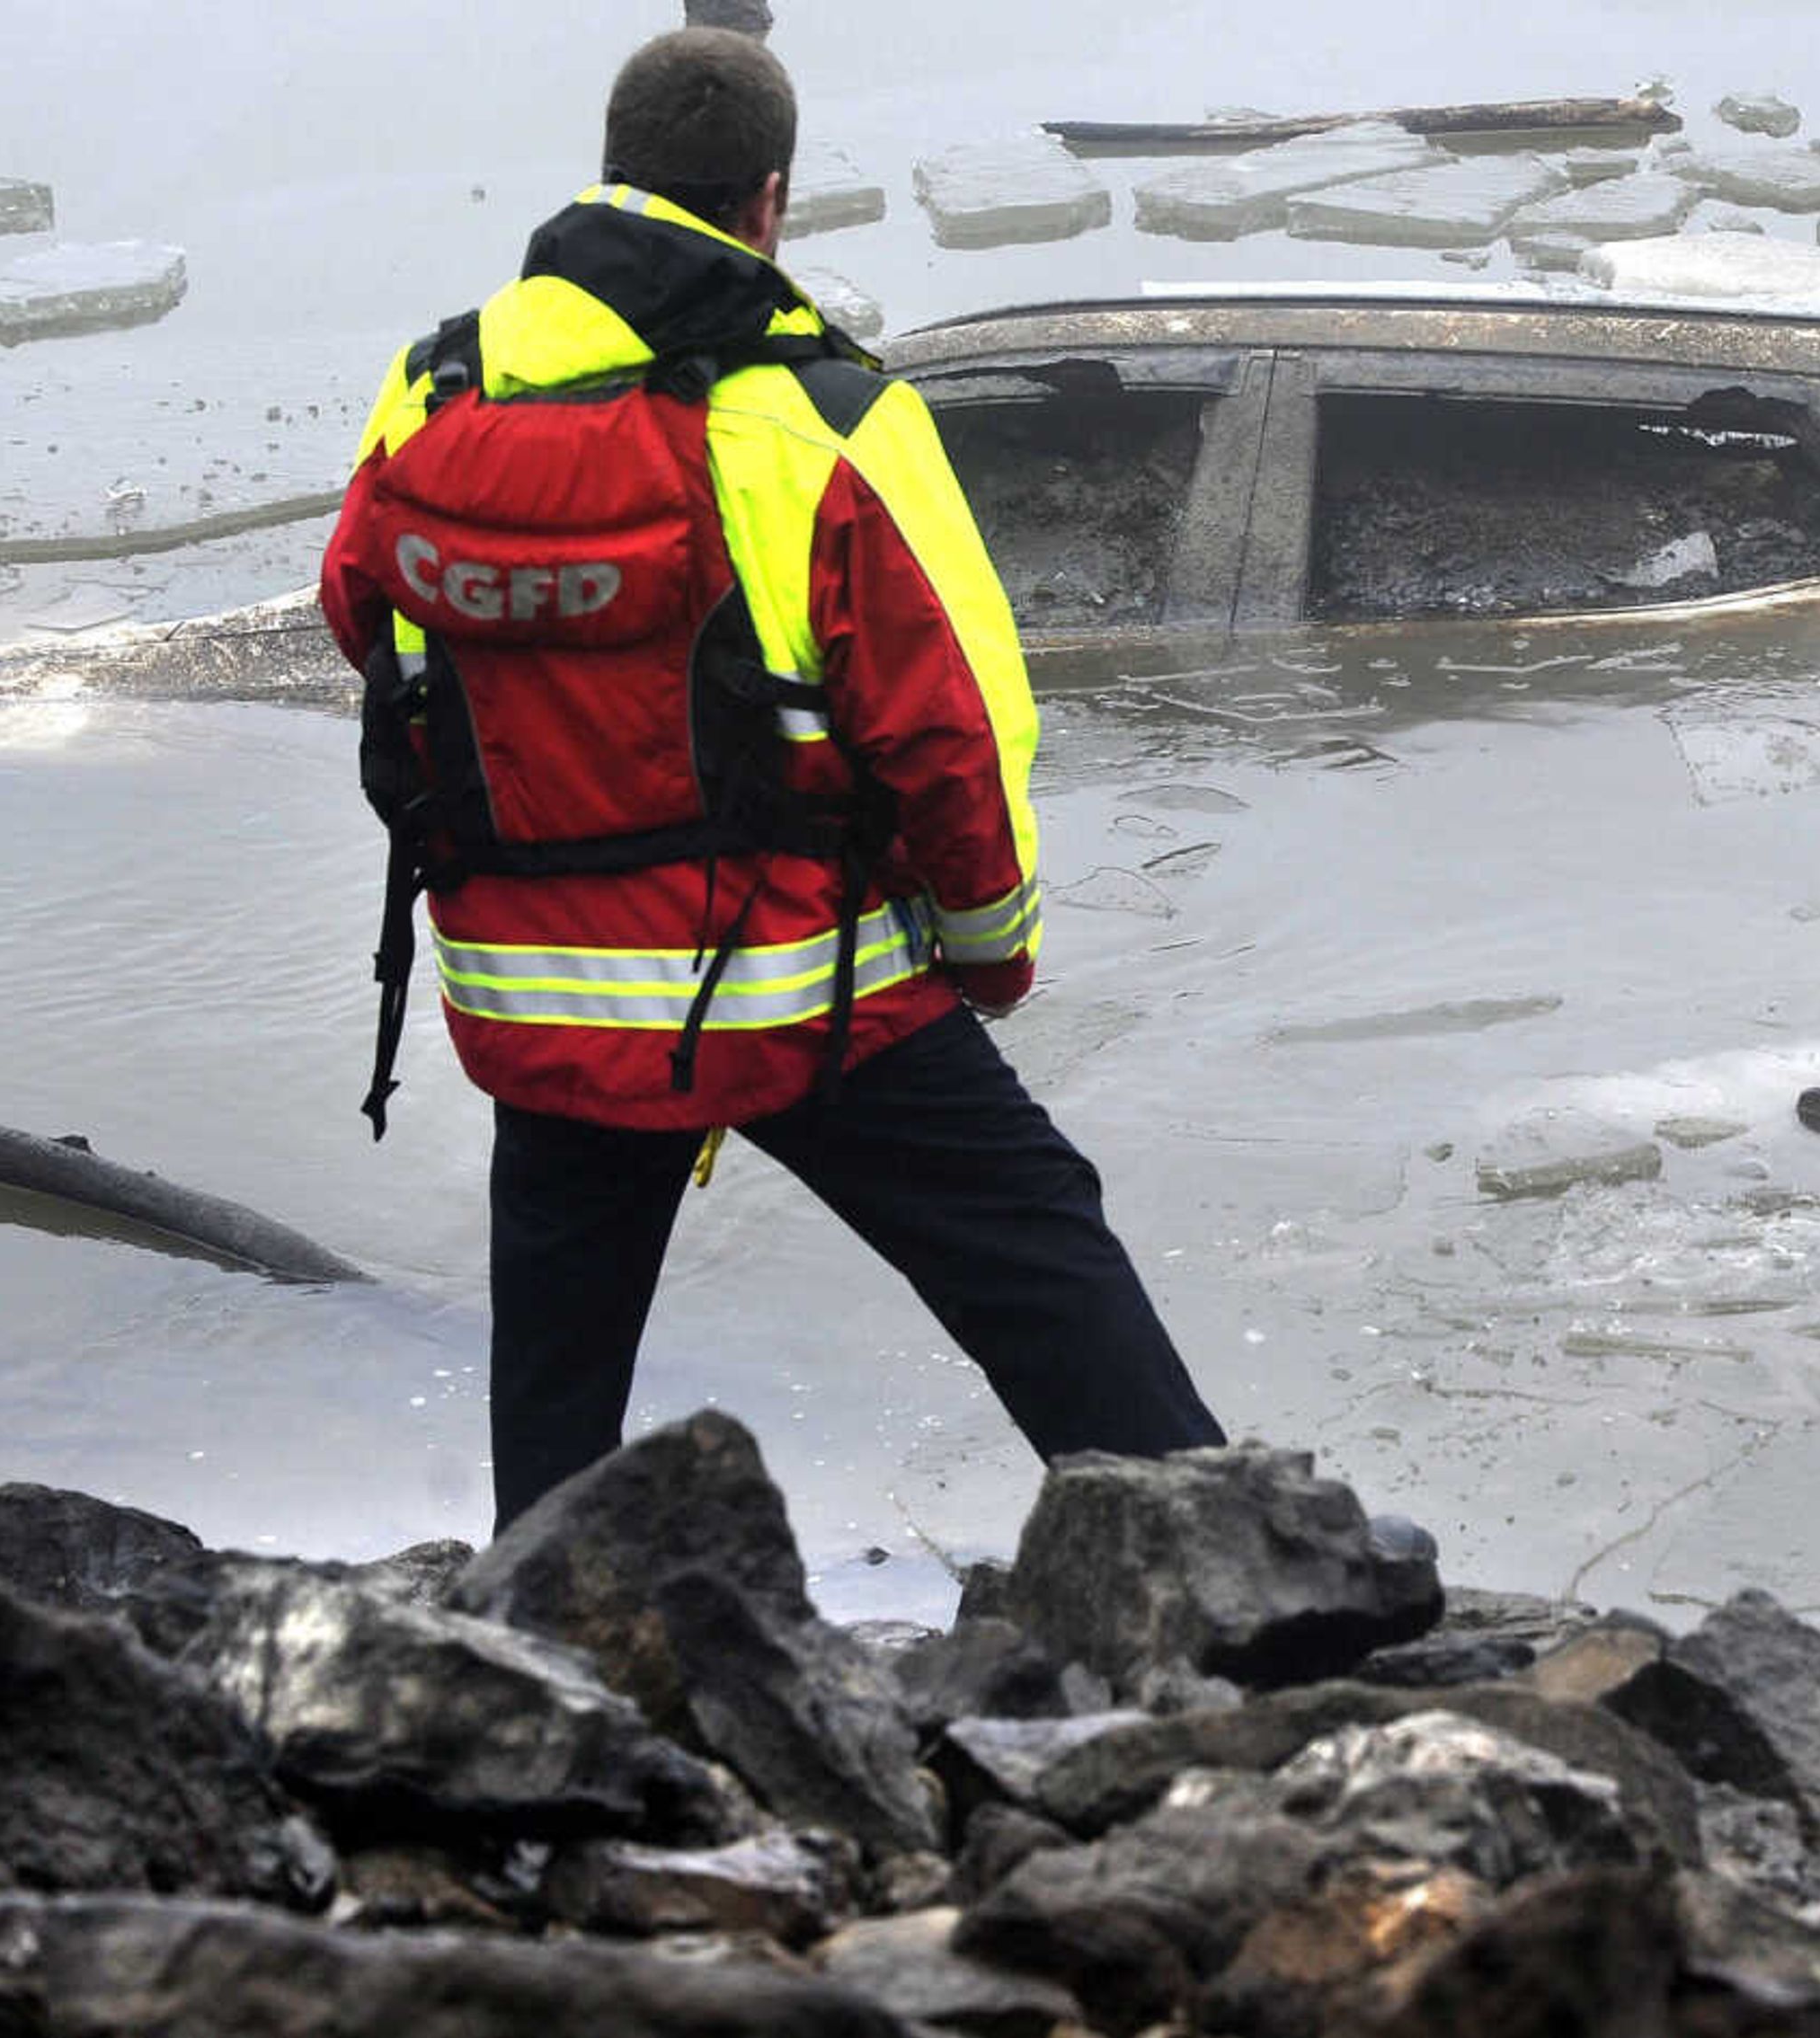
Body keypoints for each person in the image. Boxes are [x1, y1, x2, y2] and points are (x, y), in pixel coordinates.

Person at [320, 28, 1227, 1528]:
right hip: (801, 985)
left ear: (609, 177)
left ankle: (528, 1634)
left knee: (559, 1361)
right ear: (770, 203)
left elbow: (368, 614)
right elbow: (954, 732)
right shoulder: (828, 417)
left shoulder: (434, 389)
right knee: (1033, 1243)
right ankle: (1222, 1558)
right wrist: (991, 955)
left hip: (532, 988)